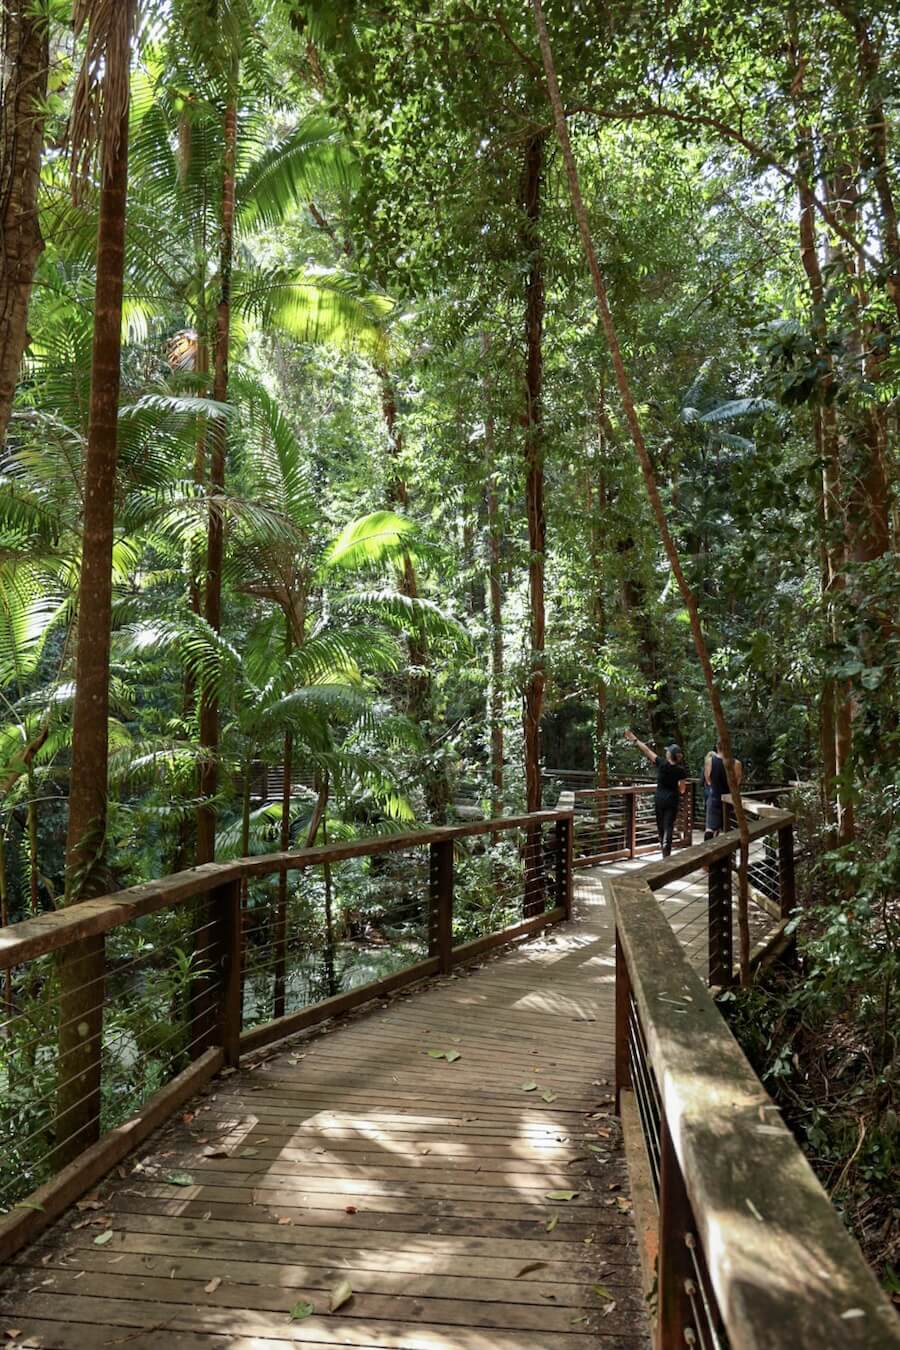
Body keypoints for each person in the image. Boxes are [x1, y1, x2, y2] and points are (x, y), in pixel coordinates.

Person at [623, 729, 688, 857]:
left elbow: (647, 751)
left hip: (659, 799)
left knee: (660, 825)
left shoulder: (662, 764)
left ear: (669, 755)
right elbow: (682, 789)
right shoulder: (681, 771)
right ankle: (666, 851)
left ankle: (662, 843)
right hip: (672, 800)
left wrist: (635, 740)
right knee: (669, 826)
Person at [704, 739, 742, 839]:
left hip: (714, 797)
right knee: (728, 830)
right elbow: (737, 782)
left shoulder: (710, 761)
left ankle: (709, 840)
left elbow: (708, 780)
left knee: (710, 827)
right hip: (730, 799)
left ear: (717, 747)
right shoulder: (736, 763)